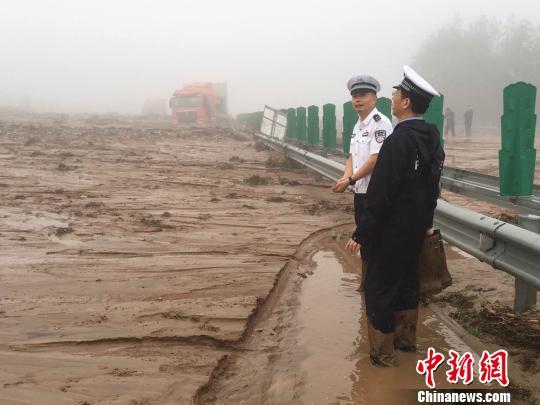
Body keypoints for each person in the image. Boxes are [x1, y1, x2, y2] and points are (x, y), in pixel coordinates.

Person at [346, 66, 444, 367]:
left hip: (390, 232)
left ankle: (382, 358)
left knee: (378, 289)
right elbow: (433, 186)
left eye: (396, 93)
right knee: (406, 285)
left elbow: (381, 194)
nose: (393, 97)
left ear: (405, 102)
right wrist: (426, 224)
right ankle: (405, 344)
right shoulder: (430, 136)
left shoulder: (398, 141)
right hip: (415, 229)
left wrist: (361, 233)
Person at [332, 74, 393, 290]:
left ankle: (376, 284)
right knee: (365, 238)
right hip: (360, 190)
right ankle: (367, 282)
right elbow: (351, 157)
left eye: (363, 95)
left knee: (374, 239)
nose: (358, 100)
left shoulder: (381, 123)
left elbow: (375, 160)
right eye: (355, 96)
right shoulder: (357, 125)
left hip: (375, 193)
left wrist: (350, 178)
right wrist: (346, 178)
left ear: (375, 97)